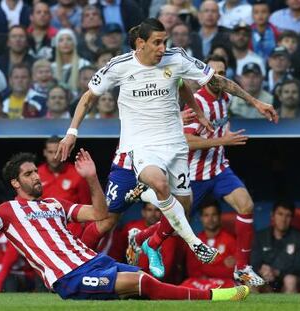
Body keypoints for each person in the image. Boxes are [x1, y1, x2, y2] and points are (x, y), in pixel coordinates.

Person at [56, 18, 277, 283]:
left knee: (180, 209)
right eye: (157, 42)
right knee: (107, 219)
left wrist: (254, 102)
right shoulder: (120, 66)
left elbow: (198, 84)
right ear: (141, 43)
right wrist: (72, 133)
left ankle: (148, 240)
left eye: (165, 42)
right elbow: (88, 97)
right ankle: (70, 265)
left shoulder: (176, 59)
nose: (163, 48)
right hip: (135, 150)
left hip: (173, 148)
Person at [0, 153, 250, 301]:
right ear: (15, 183)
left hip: (93, 261)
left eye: (35, 171)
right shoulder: (7, 211)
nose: (36, 176)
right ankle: (215, 298)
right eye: (28, 174)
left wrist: (92, 178)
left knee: (146, 283)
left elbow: (99, 213)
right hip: (68, 277)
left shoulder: (54, 204)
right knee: (142, 282)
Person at [183, 54, 265, 286]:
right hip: (193, 174)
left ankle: (242, 269)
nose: (217, 78)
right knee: (173, 224)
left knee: (246, 205)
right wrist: (223, 141)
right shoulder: (197, 102)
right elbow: (186, 140)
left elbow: (236, 90)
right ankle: (142, 240)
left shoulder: (225, 97)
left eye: (222, 73)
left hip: (218, 169)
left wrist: (257, 103)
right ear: (203, 76)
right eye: (213, 73)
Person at [251, 201, 300, 293]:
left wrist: (276, 272)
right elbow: (254, 263)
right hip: (267, 281)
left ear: (292, 218)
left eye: (288, 215)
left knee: (290, 280)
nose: (283, 219)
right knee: (251, 281)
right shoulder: (260, 236)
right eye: (280, 214)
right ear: (272, 215)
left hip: (290, 282)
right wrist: (262, 270)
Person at [181, 199, 236, 290]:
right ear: (201, 218)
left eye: (214, 215)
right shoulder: (195, 241)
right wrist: (221, 264)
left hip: (225, 282)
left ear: (219, 216)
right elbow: (192, 271)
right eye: (206, 215)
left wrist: (205, 267)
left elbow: (233, 271)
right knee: (185, 286)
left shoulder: (230, 240)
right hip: (201, 282)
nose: (210, 219)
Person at [38, 136, 91, 204]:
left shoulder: (78, 173)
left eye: (58, 152)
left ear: (64, 151)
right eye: (50, 152)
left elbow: (86, 204)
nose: (54, 157)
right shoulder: (37, 174)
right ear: (44, 152)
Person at [51, 29, 91, 95]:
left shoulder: (84, 64)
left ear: (74, 43)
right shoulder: (52, 67)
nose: (65, 43)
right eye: (61, 40)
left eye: (69, 39)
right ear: (57, 45)